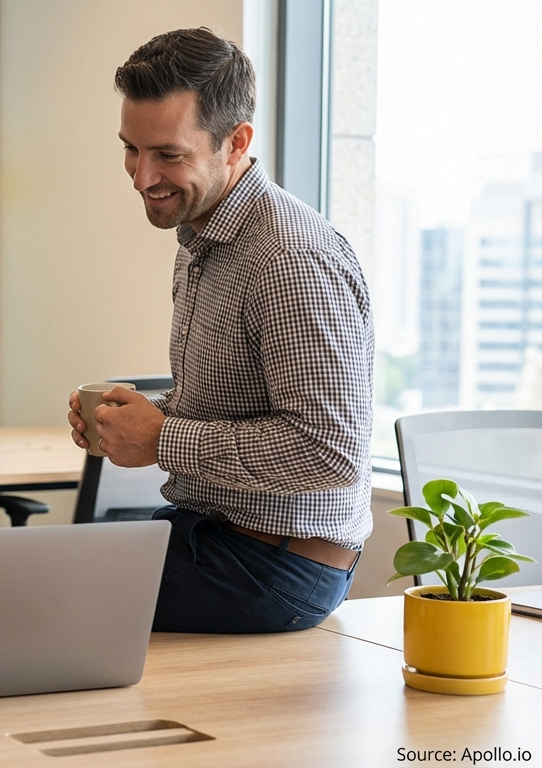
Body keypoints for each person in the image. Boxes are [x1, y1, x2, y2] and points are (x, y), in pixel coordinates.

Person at [66, 28, 374, 633]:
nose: (141, 176)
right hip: (218, 534)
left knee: (38, 594)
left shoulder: (289, 258)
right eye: (132, 148)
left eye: (169, 155)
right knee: (33, 570)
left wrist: (163, 441)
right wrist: (139, 419)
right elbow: (230, 404)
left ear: (235, 144)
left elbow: (329, 453)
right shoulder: (202, 232)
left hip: (277, 567)